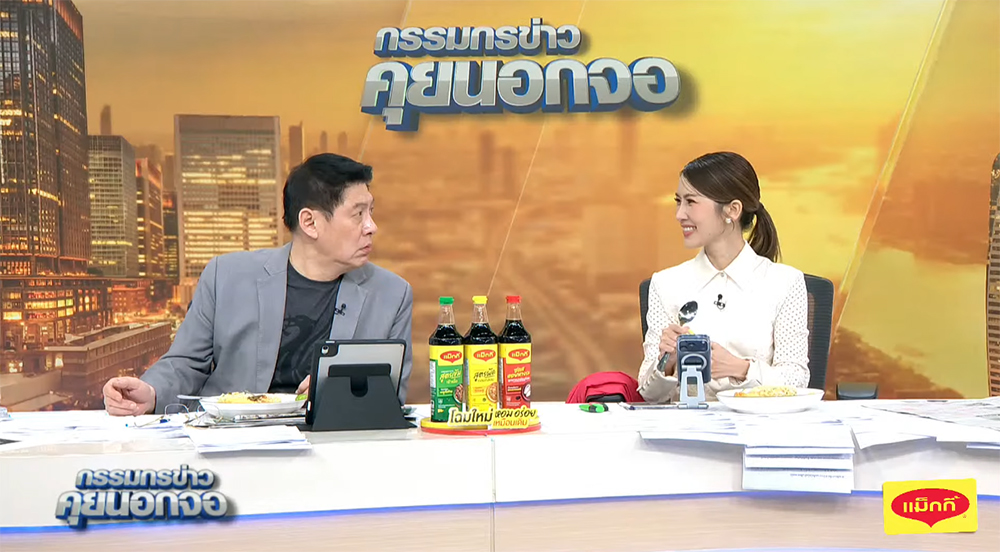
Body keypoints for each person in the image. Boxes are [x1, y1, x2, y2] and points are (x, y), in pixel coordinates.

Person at [103, 153, 413, 415]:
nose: (372, 227)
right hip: (234, 440)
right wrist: (152, 392)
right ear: (310, 223)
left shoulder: (393, 294)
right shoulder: (225, 276)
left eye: (371, 212)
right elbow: (186, 362)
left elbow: (391, 395)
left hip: (331, 444)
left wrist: (339, 394)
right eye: (358, 214)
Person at [637, 152, 809, 403]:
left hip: (759, 422)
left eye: (691, 202)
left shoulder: (785, 283)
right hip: (687, 424)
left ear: (733, 210)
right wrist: (668, 363)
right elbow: (647, 394)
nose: (679, 214)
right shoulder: (665, 284)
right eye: (678, 202)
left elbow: (797, 379)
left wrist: (740, 369)